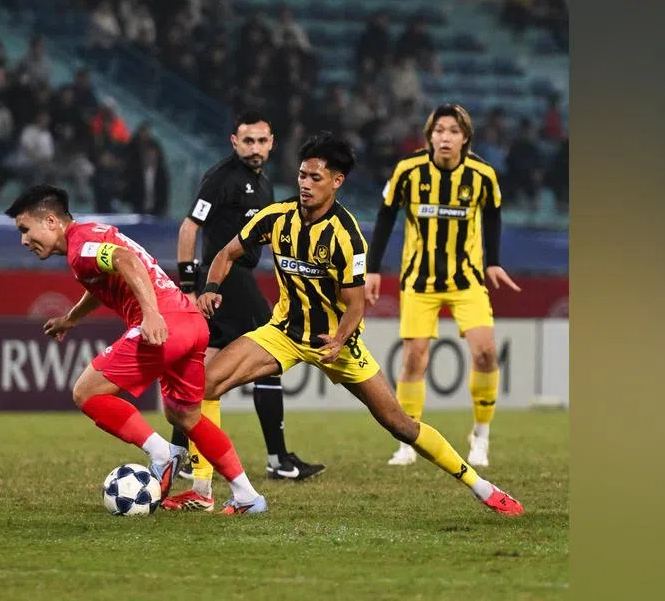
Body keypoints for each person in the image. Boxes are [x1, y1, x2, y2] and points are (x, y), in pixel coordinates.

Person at [192, 133, 523, 517]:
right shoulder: (276, 217)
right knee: (205, 385)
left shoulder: (347, 236)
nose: (304, 183)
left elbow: (354, 306)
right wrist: (211, 287)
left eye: (316, 177)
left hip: (338, 345)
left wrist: (338, 340)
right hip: (283, 332)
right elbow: (227, 252)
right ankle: (216, 490)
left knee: (400, 424)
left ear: (337, 181)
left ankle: (481, 487)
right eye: (302, 175)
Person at [4, 185, 267, 514]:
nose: (24, 241)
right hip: (191, 323)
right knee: (185, 415)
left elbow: (124, 259)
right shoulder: (87, 238)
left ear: (52, 221)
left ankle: (162, 453)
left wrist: (151, 314)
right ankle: (247, 496)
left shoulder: (80, 247)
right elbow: (105, 279)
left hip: (164, 324)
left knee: (86, 392)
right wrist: (71, 319)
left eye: (25, 230)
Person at [164, 113, 325, 513]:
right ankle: (278, 460)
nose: (255, 148)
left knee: (202, 371)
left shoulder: (266, 183)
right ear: (234, 141)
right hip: (224, 281)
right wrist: (189, 286)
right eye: (248, 141)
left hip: (236, 279)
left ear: (272, 142)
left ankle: (177, 455)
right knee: (270, 355)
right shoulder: (221, 178)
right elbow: (189, 228)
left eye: (262, 141)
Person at [364, 104, 522, 469]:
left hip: (466, 280)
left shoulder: (482, 174)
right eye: (438, 130)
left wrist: (493, 261)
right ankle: (407, 440)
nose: (444, 137)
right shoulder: (408, 170)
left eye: (452, 131)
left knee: (485, 353)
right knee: (415, 358)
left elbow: (494, 212)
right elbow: (386, 213)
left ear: (465, 137)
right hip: (419, 281)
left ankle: (480, 435)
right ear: (429, 135)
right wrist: (372, 269)